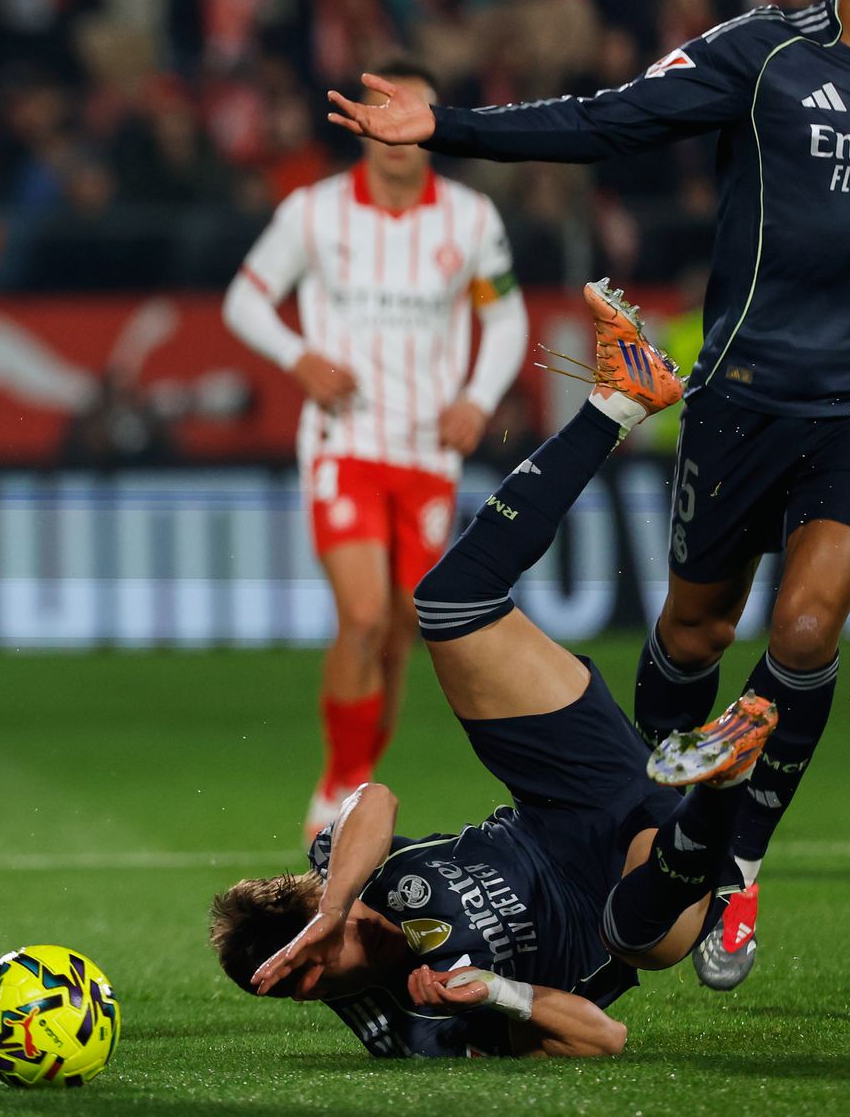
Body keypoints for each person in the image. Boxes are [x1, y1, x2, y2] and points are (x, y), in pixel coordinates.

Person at [322, 0, 850, 990]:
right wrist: (450, 126)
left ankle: (735, 862)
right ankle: (646, 833)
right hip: (743, 396)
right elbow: (611, 120)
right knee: (691, 637)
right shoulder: (762, 54)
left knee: (806, 631)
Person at [209, 283, 777, 1058]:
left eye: (315, 941)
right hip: (623, 889)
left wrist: (335, 904)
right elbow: (602, 1039)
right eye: (310, 976)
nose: (331, 960)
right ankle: (723, 790)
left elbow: (372, 797)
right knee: (639, 935)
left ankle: (618, 400)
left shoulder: (350, 879)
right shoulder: (416, 1023)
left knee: (450, 602)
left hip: (561, 794)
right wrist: (502, 995)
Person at [222, 59, 527, 843]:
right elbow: (244, 298)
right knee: (360, 617)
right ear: (359, 119)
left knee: (399, 630)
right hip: (344, 440)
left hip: (427, 449)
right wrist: (298, 358)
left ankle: (355, 783)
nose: (395, 126)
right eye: (380, 106)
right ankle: (340, 786)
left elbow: (506, 322)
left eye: (412, 108)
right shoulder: (313, 214)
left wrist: (476, 400)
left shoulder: (470, 220)